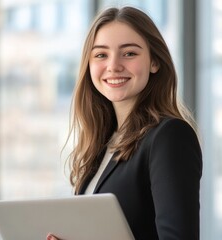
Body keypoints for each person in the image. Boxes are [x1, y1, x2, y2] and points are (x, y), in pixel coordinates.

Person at [47, 6, 202, 240]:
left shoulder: (170, 136)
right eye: (101, 55)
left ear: (154, 62)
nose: (113, 65)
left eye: (129, 53)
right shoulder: (102, 144)